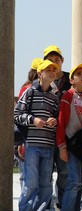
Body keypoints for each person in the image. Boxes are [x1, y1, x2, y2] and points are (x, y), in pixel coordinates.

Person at [14, 60, 60, 210]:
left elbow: (57, 118)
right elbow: (17, 114)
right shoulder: (30, 92)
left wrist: (54, 121)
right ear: (40, 73)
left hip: (48, 146)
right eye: (48, 69)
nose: (53, 72)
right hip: (32, 145)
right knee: (31, 183)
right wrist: (33, 120)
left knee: (46, 184)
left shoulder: (54, 98)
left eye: (54, 69)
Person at [56, 63, 82, 211]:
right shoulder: (68, 96)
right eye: (78, 74)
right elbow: (61, 122)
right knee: (74, 181)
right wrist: (62, 146)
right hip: (71, 144)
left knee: (80, 183)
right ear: (71, 80)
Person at [43, 45, 72, 209]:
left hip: (65, 135)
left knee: (65, 174)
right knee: (45, 175)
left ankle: (62, 204)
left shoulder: (70, 79)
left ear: (62, 61)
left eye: (57, 60)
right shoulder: (40, 82)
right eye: (50, 60)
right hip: (45, 135)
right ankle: (46, 206)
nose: (54, 63)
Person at [15, 57, 43, 190]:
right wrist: (20, 143)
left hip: (32, 137)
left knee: (27, 174)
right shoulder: (27, 89)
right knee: (27, 175)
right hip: (28, 136)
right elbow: (19, 115)